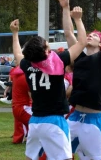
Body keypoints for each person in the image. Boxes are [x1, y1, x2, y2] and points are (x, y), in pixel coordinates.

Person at [55, 0, 101, 160]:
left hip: (94, 119)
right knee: (61, 154)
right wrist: (66, 8)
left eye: (95, 35)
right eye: (89, 34)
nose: (90, 35)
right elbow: (68, 32)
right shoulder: (79, 57)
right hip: (75, 115)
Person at [10, 18, 87, 160]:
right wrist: (78, 19)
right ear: (46, 52)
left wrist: (15, 34)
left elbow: (17, 54)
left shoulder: (28, 64)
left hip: (35, 121)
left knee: (31, 157)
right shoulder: (58, 60)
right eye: (47, 45)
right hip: (55, 120)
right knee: (65, 157)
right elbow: (82, 42)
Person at [9, 64, 32, 144]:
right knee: (38, 121)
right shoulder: (25, 77)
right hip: (23, 107)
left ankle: (19, 138)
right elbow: (32, 96)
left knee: (20, 123)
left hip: (17, 106)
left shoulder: (17, 75)